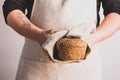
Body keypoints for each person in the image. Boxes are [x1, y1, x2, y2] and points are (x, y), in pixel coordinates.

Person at [2, 0, 120, 80]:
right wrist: (39, 35)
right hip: (36, 67)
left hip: (84, 69)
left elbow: (116, 10)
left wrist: (93, 38)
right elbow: (12, 6)